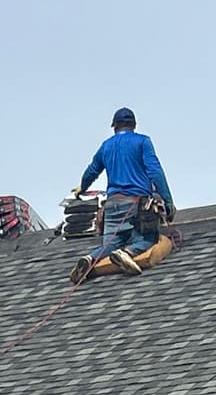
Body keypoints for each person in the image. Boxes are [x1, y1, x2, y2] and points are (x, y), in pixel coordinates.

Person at [71, 108, 176, 285]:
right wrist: (168, 201)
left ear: (115, 127)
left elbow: (92, 170)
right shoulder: (142, 142)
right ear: (133, 125)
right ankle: (127, 253)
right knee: (148, 239)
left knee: (111, 243)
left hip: (112, 206)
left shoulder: (106, 146)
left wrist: (82, 186)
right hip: (135, 204)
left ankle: (89, 259)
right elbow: (155, 171)